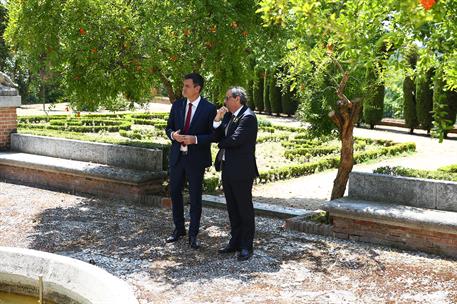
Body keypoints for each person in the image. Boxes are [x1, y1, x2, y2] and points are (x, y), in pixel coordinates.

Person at [165, 73, 217, 249]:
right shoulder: (177, 105)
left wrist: (194, 139)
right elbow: (168, 128)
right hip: (177, 158)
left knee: (195, 198)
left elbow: (213, 135)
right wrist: (174, 135)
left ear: (197, 88)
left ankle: (193, 235)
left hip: (196, 160)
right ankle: (179, 229)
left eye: (187, 86)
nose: (183, 88)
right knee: (174, 193)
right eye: (183, 85)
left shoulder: (209, 109)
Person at [213, 86, 259, 261]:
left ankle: (246, 245)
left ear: (237, 98)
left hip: (241, 170)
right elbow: (216, 135)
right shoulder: (231, 116)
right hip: (228, 168)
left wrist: (221, 143)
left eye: (227, 98)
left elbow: (235, 140)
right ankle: (235, 241)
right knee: (232, 207)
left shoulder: (248, 117)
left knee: (244, 208)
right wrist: (217, 119)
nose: (225, 102)